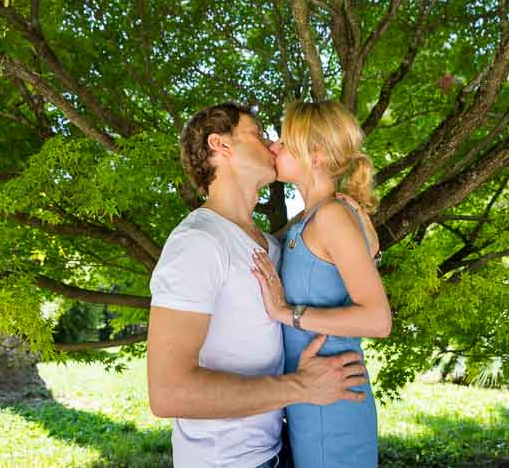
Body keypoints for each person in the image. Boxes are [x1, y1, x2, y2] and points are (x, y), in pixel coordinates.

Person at [146, 102, 369, 468]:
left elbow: (333, 257)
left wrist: (344, 211)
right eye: (257, 132)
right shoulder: (197, 242)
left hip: (276, 452)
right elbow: (169, 393)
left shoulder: (271, 244)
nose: (271, 143)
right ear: (221, 145)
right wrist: (302, 387)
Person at [251, 100, 391, 468]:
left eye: (283, 141)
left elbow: (378, 320)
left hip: (337, 405)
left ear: (313, 155)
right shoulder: (311, 218)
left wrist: (286, 313)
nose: (273, 146)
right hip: (312, 396)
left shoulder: (332, 216)